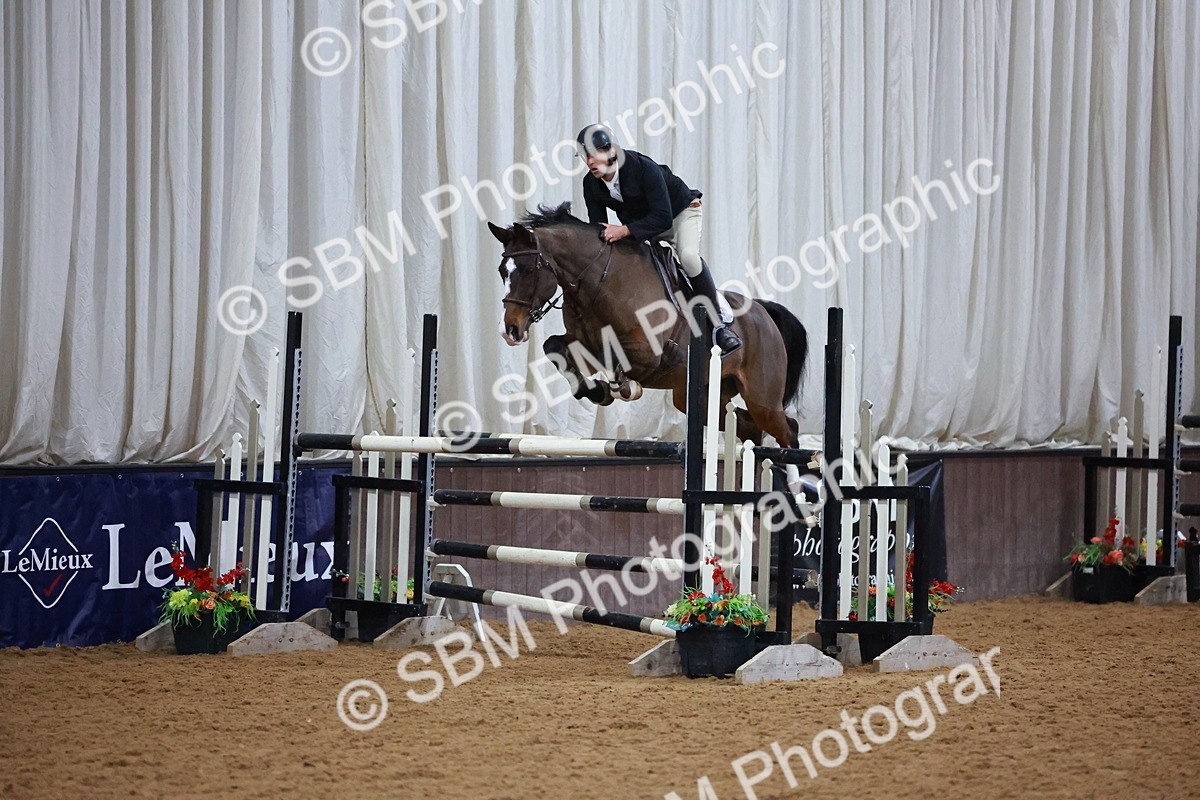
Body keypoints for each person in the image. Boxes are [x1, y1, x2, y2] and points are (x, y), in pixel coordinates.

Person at [575, 124, 742, 357]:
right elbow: (599, 228)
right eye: (586, 157)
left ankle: (719, 327)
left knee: (688, 257)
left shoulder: (642, 168)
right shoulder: (590, 184)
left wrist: (623, 231)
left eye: (596, 155)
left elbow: (663, 218)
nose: (591, 162)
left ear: (612, 150)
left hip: (679, 214)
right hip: (642, 226)